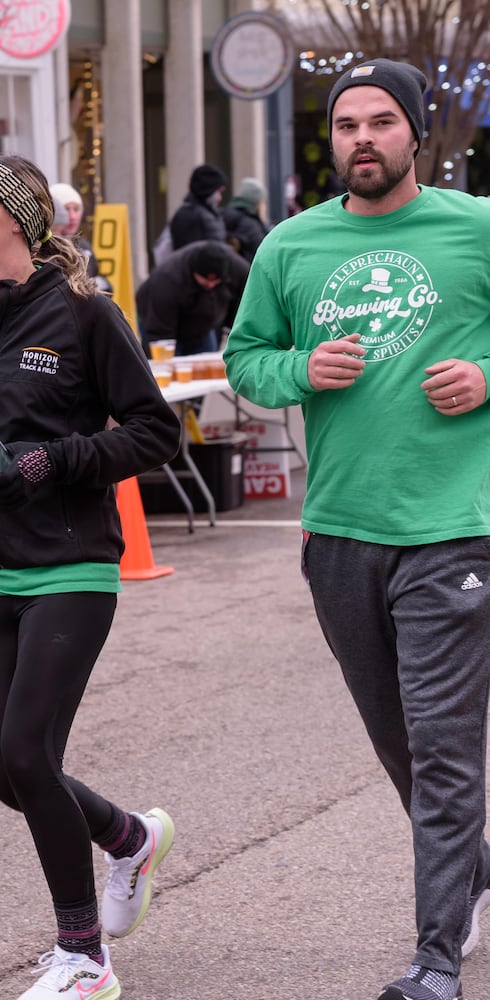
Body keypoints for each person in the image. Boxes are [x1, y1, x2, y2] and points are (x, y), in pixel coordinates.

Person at [224, 58, 490, 1000]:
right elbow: (245, 362)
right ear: (330, 139)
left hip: (454, 528)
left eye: (382, 122)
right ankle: (469, 869)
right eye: (347, 125)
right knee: (401, 747)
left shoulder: (478, 228)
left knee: (447, 746)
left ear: (416, 133)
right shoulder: (291, 247)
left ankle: (433, 961)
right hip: (337, 531)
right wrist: (301, 369)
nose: (363, 138)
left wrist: (489, 376)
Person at [0, 152, 181, 1000]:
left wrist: (58, 459)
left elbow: (153, 432)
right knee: (9, 775)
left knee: (28, 751)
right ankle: (129, 838)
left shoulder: (85, 314)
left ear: (15, 220)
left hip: (72, 566)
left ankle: (83, 957)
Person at [135, 239, 249, 356]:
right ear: (194, 272)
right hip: (160, 324)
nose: (210, 284)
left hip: (203, 326)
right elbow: (158, 334)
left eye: (216, 281)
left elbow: (246, 305)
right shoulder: (167, 281)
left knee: (206, 366)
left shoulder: (237, 269)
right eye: (205, 280)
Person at [167, 164, 228, 251]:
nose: (220, 198)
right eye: (219, 192)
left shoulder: (210, 212)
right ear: (209, 190)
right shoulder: (189, 215)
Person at [221, 177, 270, 262]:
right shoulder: (252, 225)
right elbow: (265, 254)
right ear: (258, 203)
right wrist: (263, 222)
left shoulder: (224, 214)